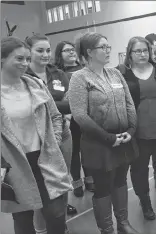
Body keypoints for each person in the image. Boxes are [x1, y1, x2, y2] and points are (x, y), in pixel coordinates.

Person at [68, 32, 139, 234]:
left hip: (123, 139)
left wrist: (131, 130)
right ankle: (107, 229)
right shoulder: (79, 78)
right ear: (89, 52)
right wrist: (109, 138)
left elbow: (129, 104)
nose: (108, 50)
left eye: (108, 46)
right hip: (99, 144)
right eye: (103, 47)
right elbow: (80, 115)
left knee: (120, 181)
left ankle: (123, 223)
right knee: (102, 187)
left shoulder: (115, 74)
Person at [1, 36, 71, 234]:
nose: (25, 64)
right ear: (2, 60)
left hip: (44, 158)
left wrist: (54, 142)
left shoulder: (35, 85)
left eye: (26, 58)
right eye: (19, 59)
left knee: (56, 215)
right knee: (22, 219)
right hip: (13, 164)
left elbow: (56, 117)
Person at [117, 36, 156, 220]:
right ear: (130, 53)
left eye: (145, 50)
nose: (142, 54)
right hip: (137, 133)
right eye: (138, 51)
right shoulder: (122, 74)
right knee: (139, 169)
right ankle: (145, 202)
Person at [24, 34, 76, 234]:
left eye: (47, 50)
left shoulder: (58, 74)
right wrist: (58, 106)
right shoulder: (24, 78)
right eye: (40, 50)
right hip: (36, 141)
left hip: (63, 134)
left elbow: (70, 102)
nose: (45, 54)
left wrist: (66, 116)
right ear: (29, 52)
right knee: (40, 187)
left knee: (63, 182)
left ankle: (59, 224)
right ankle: (41, 229)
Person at [54, 41, 95, 197]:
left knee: (87, 149)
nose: (71, 52)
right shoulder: (57, 74)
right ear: (60, 54)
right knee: (74, 151)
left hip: (88, 116)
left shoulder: (86, 69)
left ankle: (90, 179)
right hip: (70, 118)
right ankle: (77, 182)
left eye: (72, 50)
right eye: (66, 50)